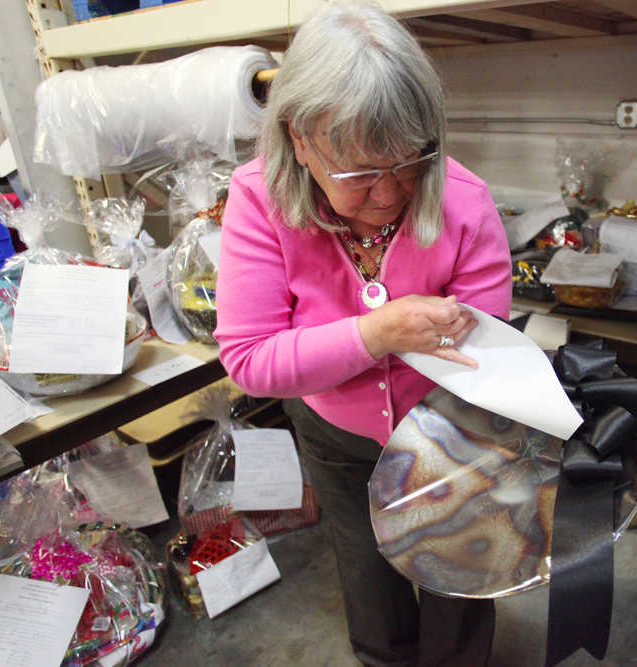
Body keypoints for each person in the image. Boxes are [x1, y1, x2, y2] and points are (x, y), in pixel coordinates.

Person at [214, 2, 512, 665]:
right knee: (369, 579)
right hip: (337, 434)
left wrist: (475, 350)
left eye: (407, 163)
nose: (390, 193)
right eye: (360, 174)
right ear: (298, 138)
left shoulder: (463, 199)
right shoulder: (258, 199)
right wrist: (376, 334)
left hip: (445, 428)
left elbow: (491, 347)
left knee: (460, 572)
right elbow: (249, 359)